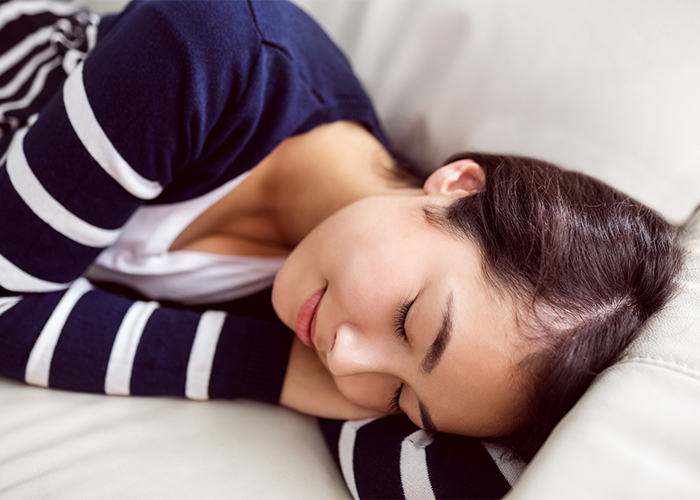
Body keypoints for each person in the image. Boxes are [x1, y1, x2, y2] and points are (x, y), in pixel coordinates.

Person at [0, 0, 681, 498]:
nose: (345, 366)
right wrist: (270, 371)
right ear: (457, 184)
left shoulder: (345, 283)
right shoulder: (208, 54)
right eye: (411, 321)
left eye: (402, 400)